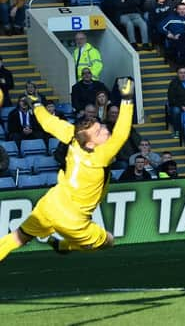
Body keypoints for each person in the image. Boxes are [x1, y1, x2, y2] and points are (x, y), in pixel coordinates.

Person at [0, 78, 134, 261]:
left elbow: (48, 123)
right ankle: (66, 245)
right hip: (74, 221)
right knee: (109, 241)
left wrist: (37, 103)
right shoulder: (100, 155)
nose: (104, 130)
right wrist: (127, 98)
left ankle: (61, 245)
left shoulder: (73, 136)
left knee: (18, 237)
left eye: (100, 126)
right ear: (90, 143)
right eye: (99, 132)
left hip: (50, 205)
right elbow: (122, 132)